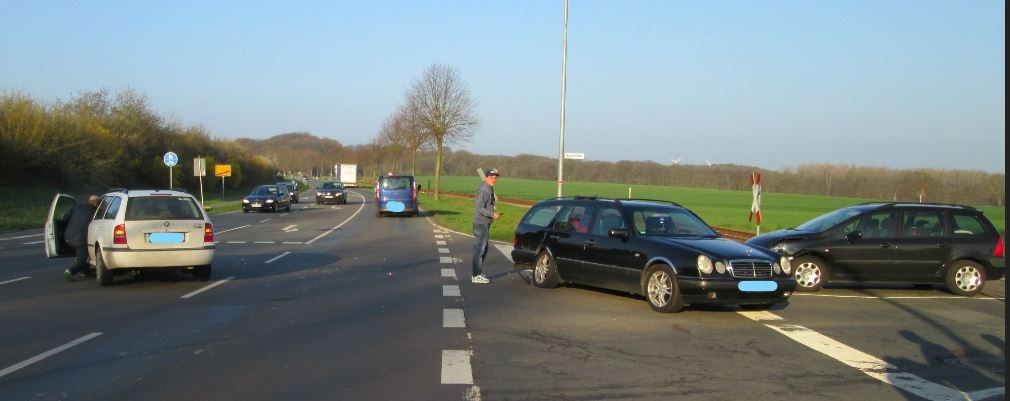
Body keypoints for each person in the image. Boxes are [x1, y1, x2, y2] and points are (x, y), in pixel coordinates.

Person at [472, 168, 501, 284]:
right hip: (481, 223)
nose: (494, 180)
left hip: (484, 223)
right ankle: (476, 275)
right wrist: (492, 214)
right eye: (492, 178)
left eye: (495, 178)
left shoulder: (488, 187)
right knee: (480, 249)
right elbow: (479, 208)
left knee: (484, 248)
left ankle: (477, 272)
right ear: (487, 177)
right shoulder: (484, 189)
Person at [63, 195, 100, 281]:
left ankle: (85, 272)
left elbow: (65, 218)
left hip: (67, 237)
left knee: (82, 253)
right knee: (83, 260)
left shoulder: (76, 206)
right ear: (97, 203)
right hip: (80, 239)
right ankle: (69, 272)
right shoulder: (97, 211)